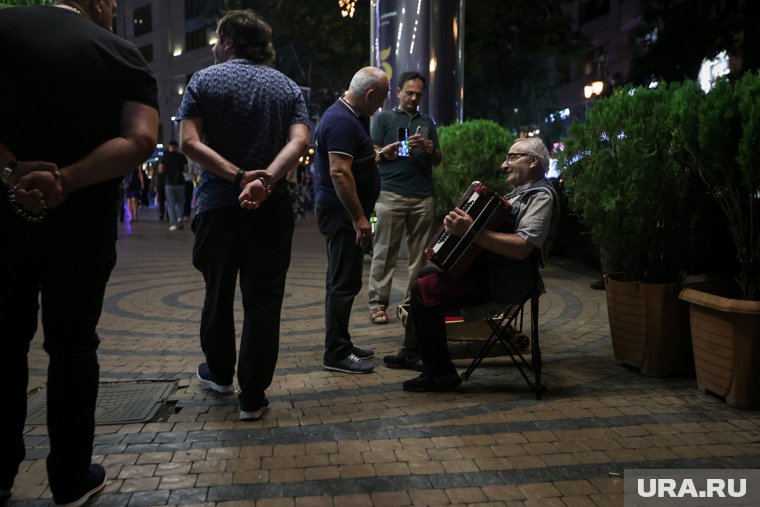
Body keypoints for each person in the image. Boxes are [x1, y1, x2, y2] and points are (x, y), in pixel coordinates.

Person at [0, 1, 158, 505]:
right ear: (97, 4)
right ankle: (69, 478)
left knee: (2, 343)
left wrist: (13, 172)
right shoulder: (121, 54)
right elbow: (140, 140)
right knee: (72, 348)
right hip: (82, 228)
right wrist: (65, 180)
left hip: (2, 220)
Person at [177, 9, 309, 421]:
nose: (214, 47)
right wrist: (266, 179)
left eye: (217, 39)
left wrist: (236, 177)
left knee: (217, 293)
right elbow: (301, 140)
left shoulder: (203, 80)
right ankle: (252, 395)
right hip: (272, 209)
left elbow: (189, 142)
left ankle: (219, 373)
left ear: (230, 40)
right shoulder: (286, 86)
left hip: (218, 205)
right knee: (263, 300)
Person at [400, 138, 559, 392]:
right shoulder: (519, 195)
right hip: (490, 274)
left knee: (424, 289)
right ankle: (412, 351)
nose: (503, 165)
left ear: (533, 162)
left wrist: (470, 231)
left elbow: (521, 248)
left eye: (511, 158)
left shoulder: (541, 197)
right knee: (426, 275)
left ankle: (440, 374)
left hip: (505, 282)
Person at [313, 66, 398, 374]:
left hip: (343, 214)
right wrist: (359, 218)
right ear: (370, 94)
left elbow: (351, 160)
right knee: (343, 282)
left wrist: (376, 156)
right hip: (340, 215)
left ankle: (342, 343)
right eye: (381, 100)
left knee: (344, 279)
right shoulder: (340, 121)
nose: (382, 106)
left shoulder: (350, 117)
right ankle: (335, 353)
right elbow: (339, 172)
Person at [368, 72, 442, 329]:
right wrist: (390, 150)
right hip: (390, 192)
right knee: (385, 250)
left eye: (418, 94)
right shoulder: (383, 118)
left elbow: (438, 159)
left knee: (420, 257)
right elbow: (373, 154)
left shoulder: (426, 121)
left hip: (423, 195)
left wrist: (432, 150)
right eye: (409, 93)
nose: (413, 98)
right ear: (398, 92)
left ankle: (413, 303)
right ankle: (378, 303)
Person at [159, 140, 188, 231]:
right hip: (180, 182)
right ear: (177, 147)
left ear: (169, 146)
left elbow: (160, 170)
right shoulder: (182, 156)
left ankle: (173, 224)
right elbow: (186, 170)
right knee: (181, 202)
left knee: (170, 204)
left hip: (169, 183)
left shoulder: (165, 156)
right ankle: (180, 218)